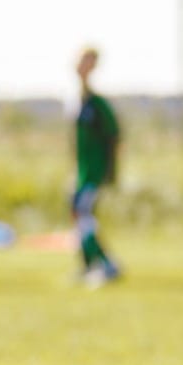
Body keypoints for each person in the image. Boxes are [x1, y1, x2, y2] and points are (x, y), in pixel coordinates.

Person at [71, 47, 122, 284]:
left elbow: (114, 136)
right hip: (81, 172)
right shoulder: (77, 102)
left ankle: (107, 264)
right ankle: (88, 265)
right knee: (78, 215)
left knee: (84, 215)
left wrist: (109, 172)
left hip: (95, 172)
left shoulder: (98, 104)